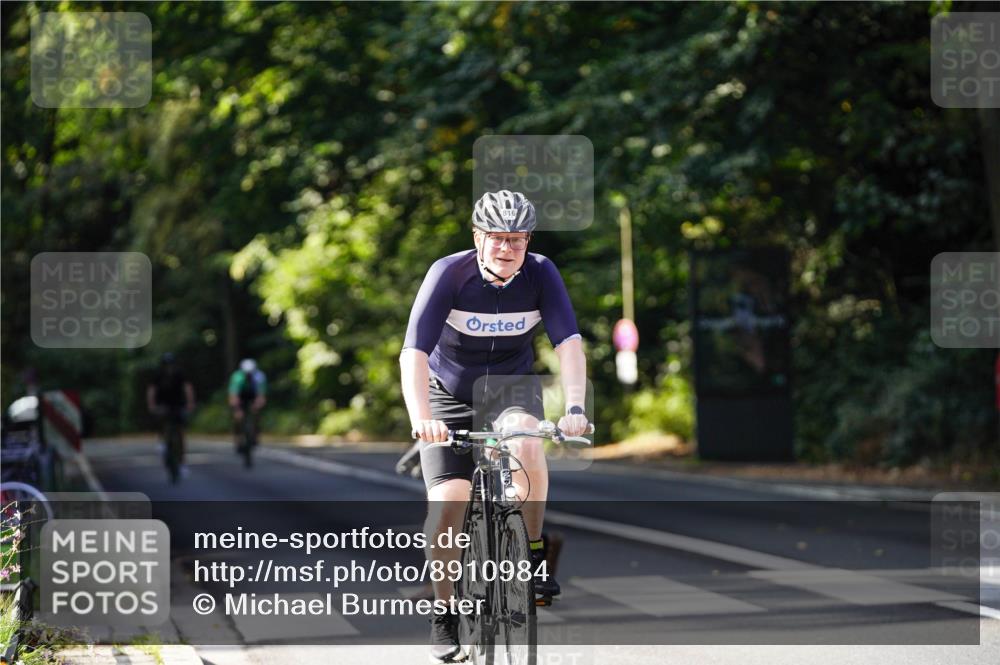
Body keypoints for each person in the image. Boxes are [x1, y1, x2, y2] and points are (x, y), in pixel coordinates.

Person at [400, 190, 589, 663]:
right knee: (450, 502)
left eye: (518, 240)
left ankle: (532, 553)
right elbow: (414, 353)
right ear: (478, 237)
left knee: (528, 442)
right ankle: (444, 613)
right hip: (448, 395)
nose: (508, 248)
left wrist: (577, 407)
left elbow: (568, 342)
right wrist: (421, 417)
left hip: (512, 389)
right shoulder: (449, 273)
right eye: (499, 238)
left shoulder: (541, 273)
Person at [146, 352, 195, 479]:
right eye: (167, 365)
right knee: (161, 421)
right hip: (163, 404)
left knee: (180, 433)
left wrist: (190, 403)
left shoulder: (180, 374)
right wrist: (152, 405)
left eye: (171, 365)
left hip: (178, 404)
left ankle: (182, 462)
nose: (169, 367)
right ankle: (162, 440)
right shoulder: (158, 375)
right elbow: (152, 390)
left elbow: (187, 388)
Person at [228, 358, 267, 459]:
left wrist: (257, 405)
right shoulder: (237, 377)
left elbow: (261, 395)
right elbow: (233, 395)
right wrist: (237, 409)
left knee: (257, 413)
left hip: (253, 395)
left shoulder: (259, 376)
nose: (248, 375)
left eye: (250, 373)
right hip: (241, 396)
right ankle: (238, 440)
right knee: (237, 418)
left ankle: (255, 435)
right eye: (246, 374)